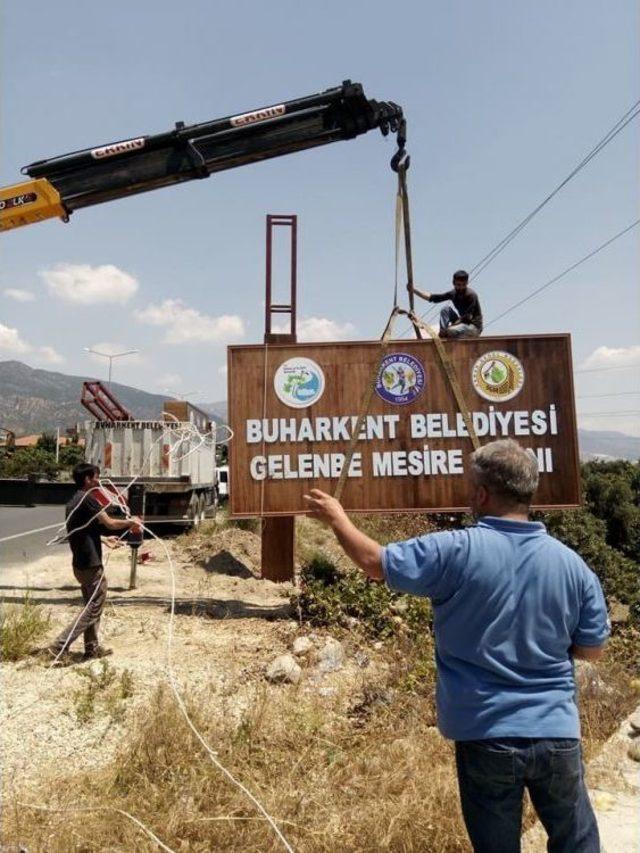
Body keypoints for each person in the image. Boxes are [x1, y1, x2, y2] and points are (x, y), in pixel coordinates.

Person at [304, 439, 608, 853]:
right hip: (557, 732)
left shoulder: (456, 551)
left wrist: (337, 518)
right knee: (577, 843)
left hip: (486, 732)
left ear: (482, 494)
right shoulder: (572, 565)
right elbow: (592, 650)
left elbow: (376, 562)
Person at [49, 462, 140, 662]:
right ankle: (59, 645)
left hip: (80, 564)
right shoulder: (88, 500)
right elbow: (110, 522)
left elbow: (80, 530)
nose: (99, 481)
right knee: (93, 608)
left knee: (91, 605)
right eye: (96, 477)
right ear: (88, 479)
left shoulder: (74, 501)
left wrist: (104, 539)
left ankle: (92, 649)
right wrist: (132, 522)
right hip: (90, 564)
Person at [414, 269, 483, 338]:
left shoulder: (471, 295)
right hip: (462, 323)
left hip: (473, 327)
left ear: (467, 283)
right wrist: (413, 290)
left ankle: (446, 332)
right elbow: (434, 298)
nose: (461, 287)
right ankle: (442, 333)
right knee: (445, 309)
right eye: (458, 285)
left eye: (463, 285)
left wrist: (450, 327)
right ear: (454, 283)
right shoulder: (453, 294)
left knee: (451, 330)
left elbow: (467, 318)